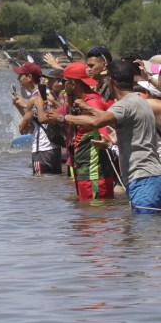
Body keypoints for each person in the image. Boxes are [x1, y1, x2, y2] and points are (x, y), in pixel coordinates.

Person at [61, 60, 161, 213]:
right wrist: (88, 109)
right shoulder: (141, 101)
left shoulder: (124, 104)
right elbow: (111, 117)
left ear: (111, 82)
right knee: (147, 226)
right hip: (152, 175)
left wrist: (62, 118)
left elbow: (96, 122)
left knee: (143, 226)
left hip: (142, 178)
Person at [42, 62, 116, 200]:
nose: (62, 85)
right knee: (85, 211)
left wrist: (62, 118)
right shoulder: (81, 101)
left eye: (64, 81)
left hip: (94, 172)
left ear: (72, 84)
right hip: (86, 170)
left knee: (95, 211)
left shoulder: (92, 102)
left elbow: (103, 130)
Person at [12, 61, 62, 175]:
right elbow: (36, 120)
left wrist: (25, 106)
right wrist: (21, 106)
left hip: (41, 149)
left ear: (29, 77)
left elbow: (23, 129)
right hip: (55, 147)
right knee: (54, 182)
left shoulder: (35, 98)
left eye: (20, 75)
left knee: (39, 182)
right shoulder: (46, 92)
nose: (18, 78)